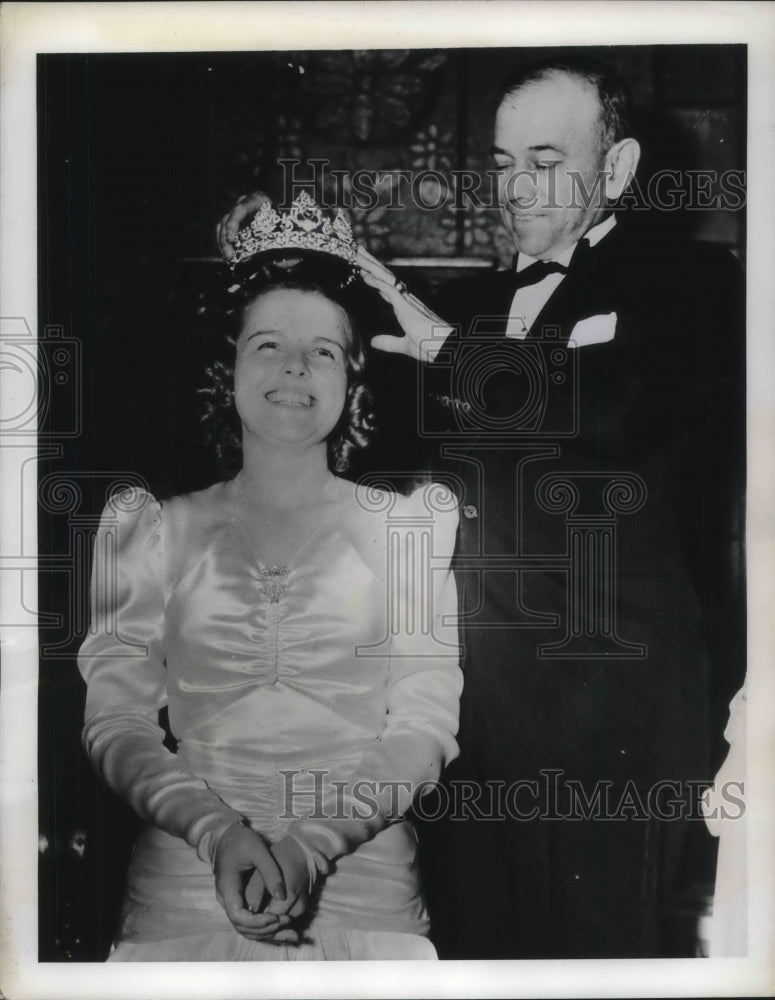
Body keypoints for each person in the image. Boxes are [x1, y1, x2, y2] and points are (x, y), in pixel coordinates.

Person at [217, 57, 745, 958]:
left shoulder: (692, 286)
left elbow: (614, 411)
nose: (515, 188)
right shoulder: (463, 310)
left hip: (612, 717)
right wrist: (274, 256)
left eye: (546, 159)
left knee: (602, 961)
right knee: (478, 950)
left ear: (613, 169)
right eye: (502, 163)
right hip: (465, 716)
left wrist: (440, 347)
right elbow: (338, 421)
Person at [78, 195, 462, 961]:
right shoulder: (149, 527)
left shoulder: (409, 527)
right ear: (228, 370)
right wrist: (216, 833)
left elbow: (422, 727)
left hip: (363, 883)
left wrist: (312, 846)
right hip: (185, 883)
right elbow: (114, 724)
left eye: (322, 349)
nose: (294, 367)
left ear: (353, 378)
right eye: (267, 345)